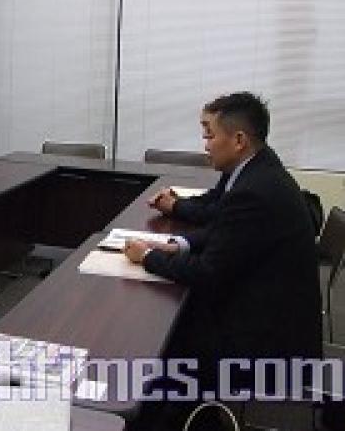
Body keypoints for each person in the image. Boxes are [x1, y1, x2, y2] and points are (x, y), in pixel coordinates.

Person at [125, 92, 321, 396]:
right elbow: (223, 228)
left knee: (157, 344)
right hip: (268, 308)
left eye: (210, 135)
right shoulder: (257, 168)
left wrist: (148, 256)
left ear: (239, 140)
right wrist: (178, 246)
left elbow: (208, 272)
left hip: (267, 344)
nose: (205, 146)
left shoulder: (254, 190)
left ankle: (176, 414)